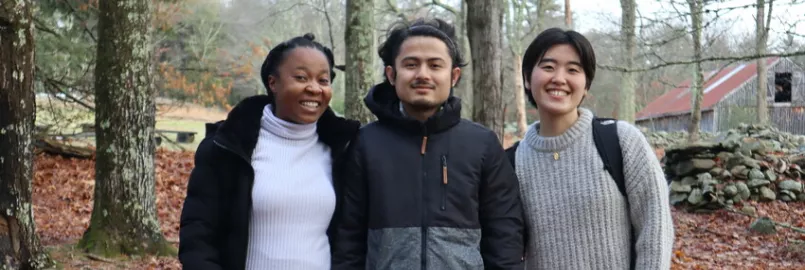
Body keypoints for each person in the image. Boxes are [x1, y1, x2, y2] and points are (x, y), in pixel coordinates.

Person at [332, 18, 525, 270]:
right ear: (392, 74)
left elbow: (504, 233)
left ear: (454, 76)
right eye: (411, 64)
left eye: (435, 65)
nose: (423, 74)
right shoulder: (366, 144)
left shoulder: (482, 144)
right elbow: (348, 237)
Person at [178, 33, 361, 270]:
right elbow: (198, 234)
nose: (314, 88)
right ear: (273, 83)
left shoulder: (343, 148)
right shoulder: (229, 146)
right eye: (301, 77)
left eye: (323, 80)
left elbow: (352, 239)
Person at [504, 28, 674, 269]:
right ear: (527, 79)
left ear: (586, 85)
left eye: (573, 70)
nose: (559, 78)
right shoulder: (512, 163)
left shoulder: (620, 141)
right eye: (548, 67)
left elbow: (655, 227)